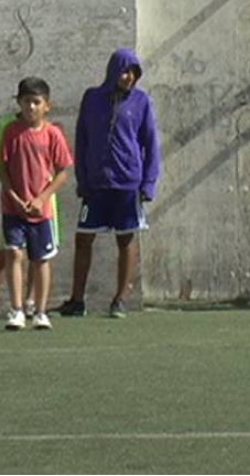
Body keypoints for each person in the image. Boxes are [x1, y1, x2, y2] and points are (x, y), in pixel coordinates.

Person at [56, 48, 161, 318]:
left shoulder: (141, 101)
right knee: (83, 239)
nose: (128, 77)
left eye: (133, 73)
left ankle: (121, 299)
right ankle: (77, 300)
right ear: (113, 71)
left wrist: (148, 184)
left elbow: (151, 144)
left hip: (128, 183)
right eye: (124, 71)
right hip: (96, 185)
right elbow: (82, 139)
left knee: (126, 239)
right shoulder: (92, 98)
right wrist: (83, 178)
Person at [0, 77, 73, 330]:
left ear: (46, 106)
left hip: (42, 212)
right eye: (26, 101)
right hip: (13, 209)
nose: (30, 107)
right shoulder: (11, 131)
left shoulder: (53, 134)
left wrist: (42, 198)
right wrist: (16, 199)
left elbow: (63, 171)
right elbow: (3, 170)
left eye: (36, 102)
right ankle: (17, 309)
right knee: (14, 253)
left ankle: (40, 311)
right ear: (18, 102)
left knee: (41, 259)